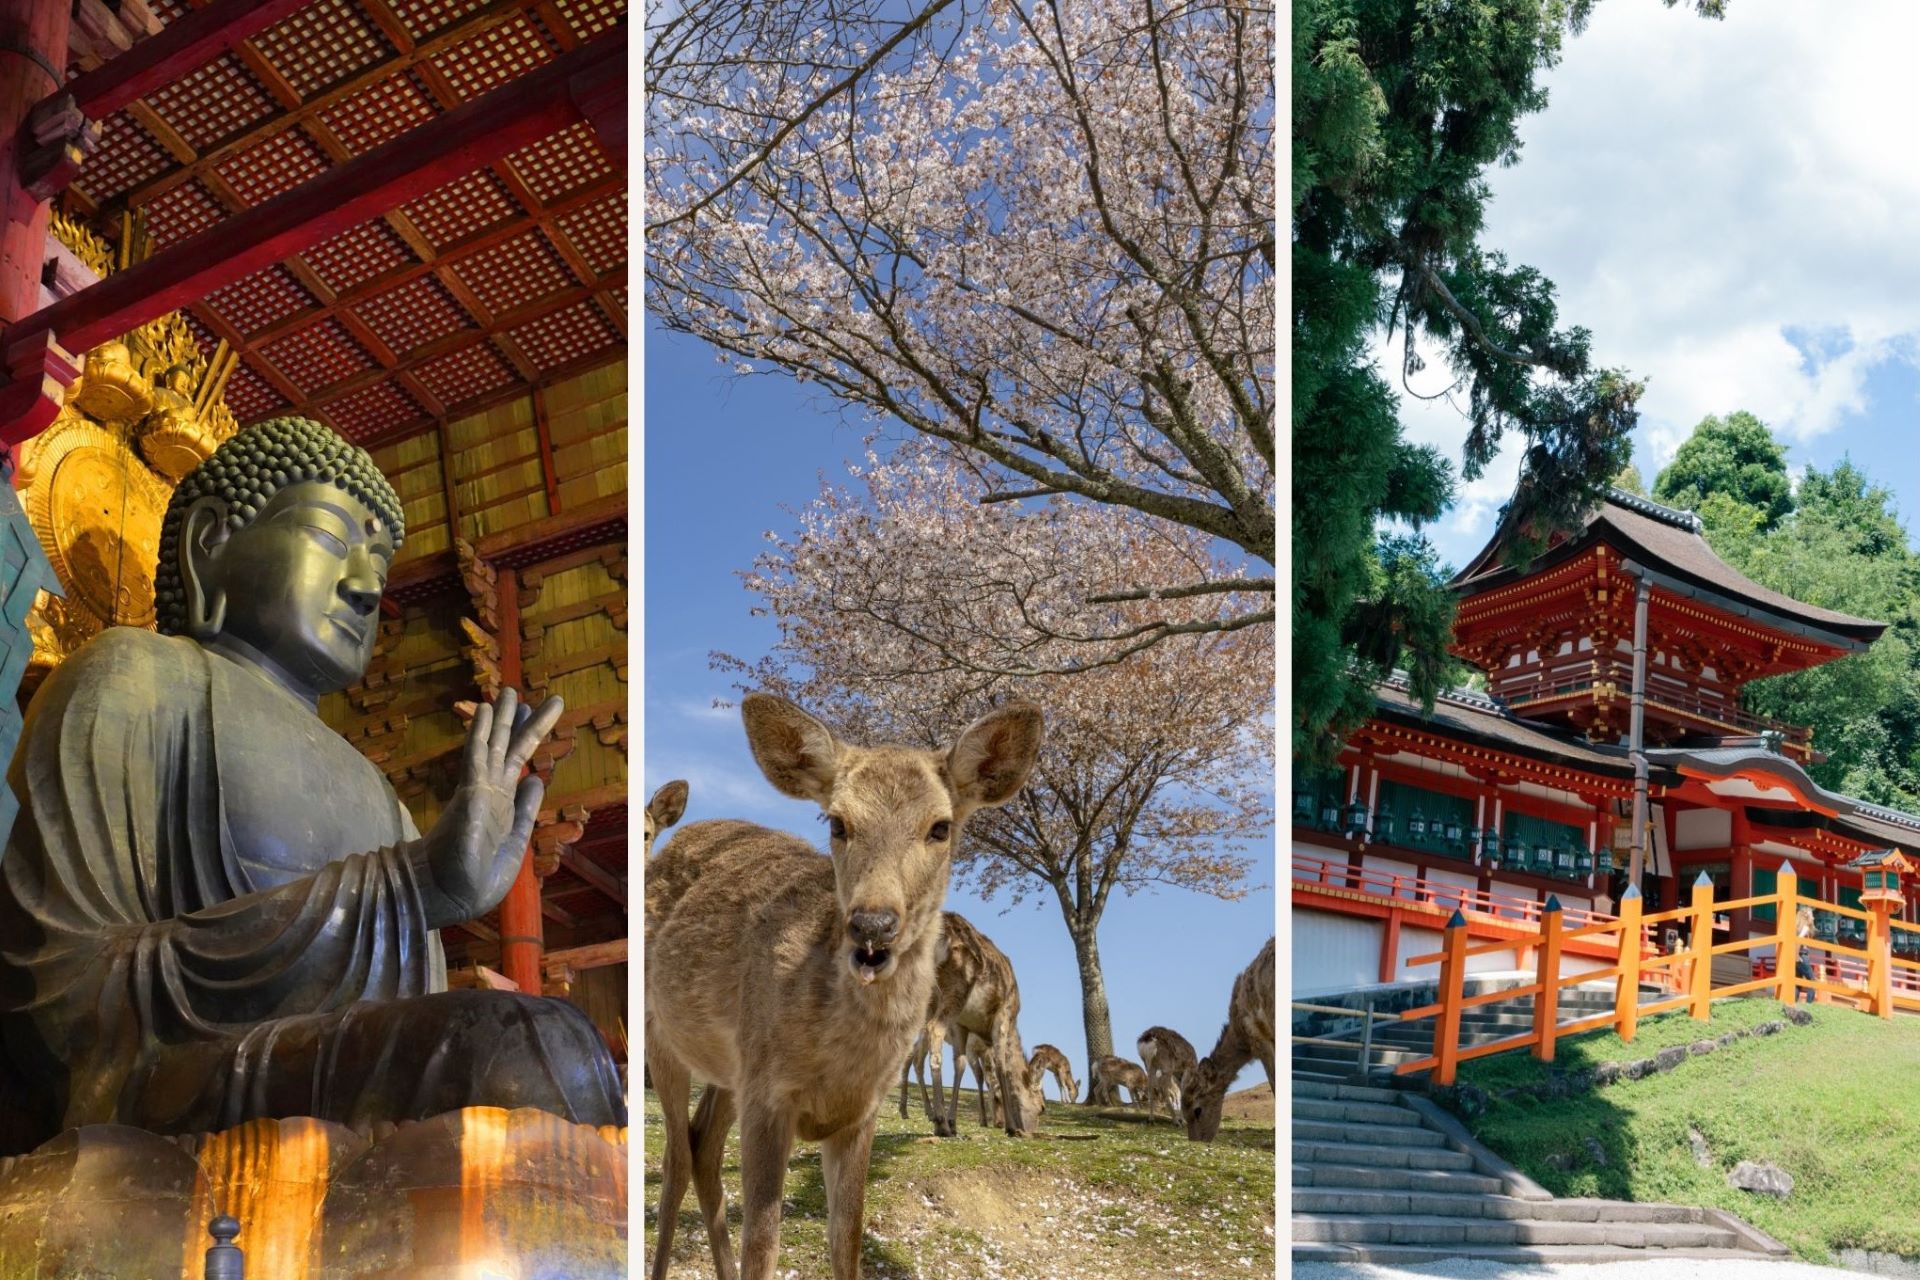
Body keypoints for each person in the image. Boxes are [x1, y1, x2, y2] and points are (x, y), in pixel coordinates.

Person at [0, 417, 624, 1152]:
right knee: (513, 1054)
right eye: (331, 541)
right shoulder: (136, 677)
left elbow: (396, 1020)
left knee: (560, 1049)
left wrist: (415, 888)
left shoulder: (376, 790)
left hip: (332, 1077)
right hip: (174, 1078)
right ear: (209, 545)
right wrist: (408, 886)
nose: (365, 588)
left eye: (379, 569)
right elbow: (60, 992)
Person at [1794, 905, 1817, 1003]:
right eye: (1812, 915)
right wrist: (1797, 956)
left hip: (1798, 955)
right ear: (1807, 916)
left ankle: (1793, 1002)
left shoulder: (1798, 928)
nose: (1813, 918)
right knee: (1812, 981)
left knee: (1798, 982)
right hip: (1802, 956)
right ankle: (1809, 1004)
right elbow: (1798, 940)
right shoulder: (1806, 928)